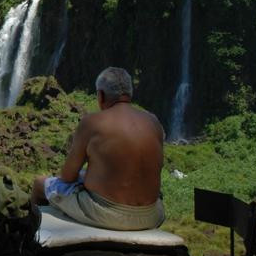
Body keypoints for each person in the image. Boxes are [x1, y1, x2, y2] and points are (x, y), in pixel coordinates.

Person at [31, 67, 165, 231]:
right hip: (152, 215)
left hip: (108, 215)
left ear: (101, 95)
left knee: (39, 184)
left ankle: (31, 238)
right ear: (129, 94)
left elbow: (67, 177)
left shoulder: (92, 122)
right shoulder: (153, 122)